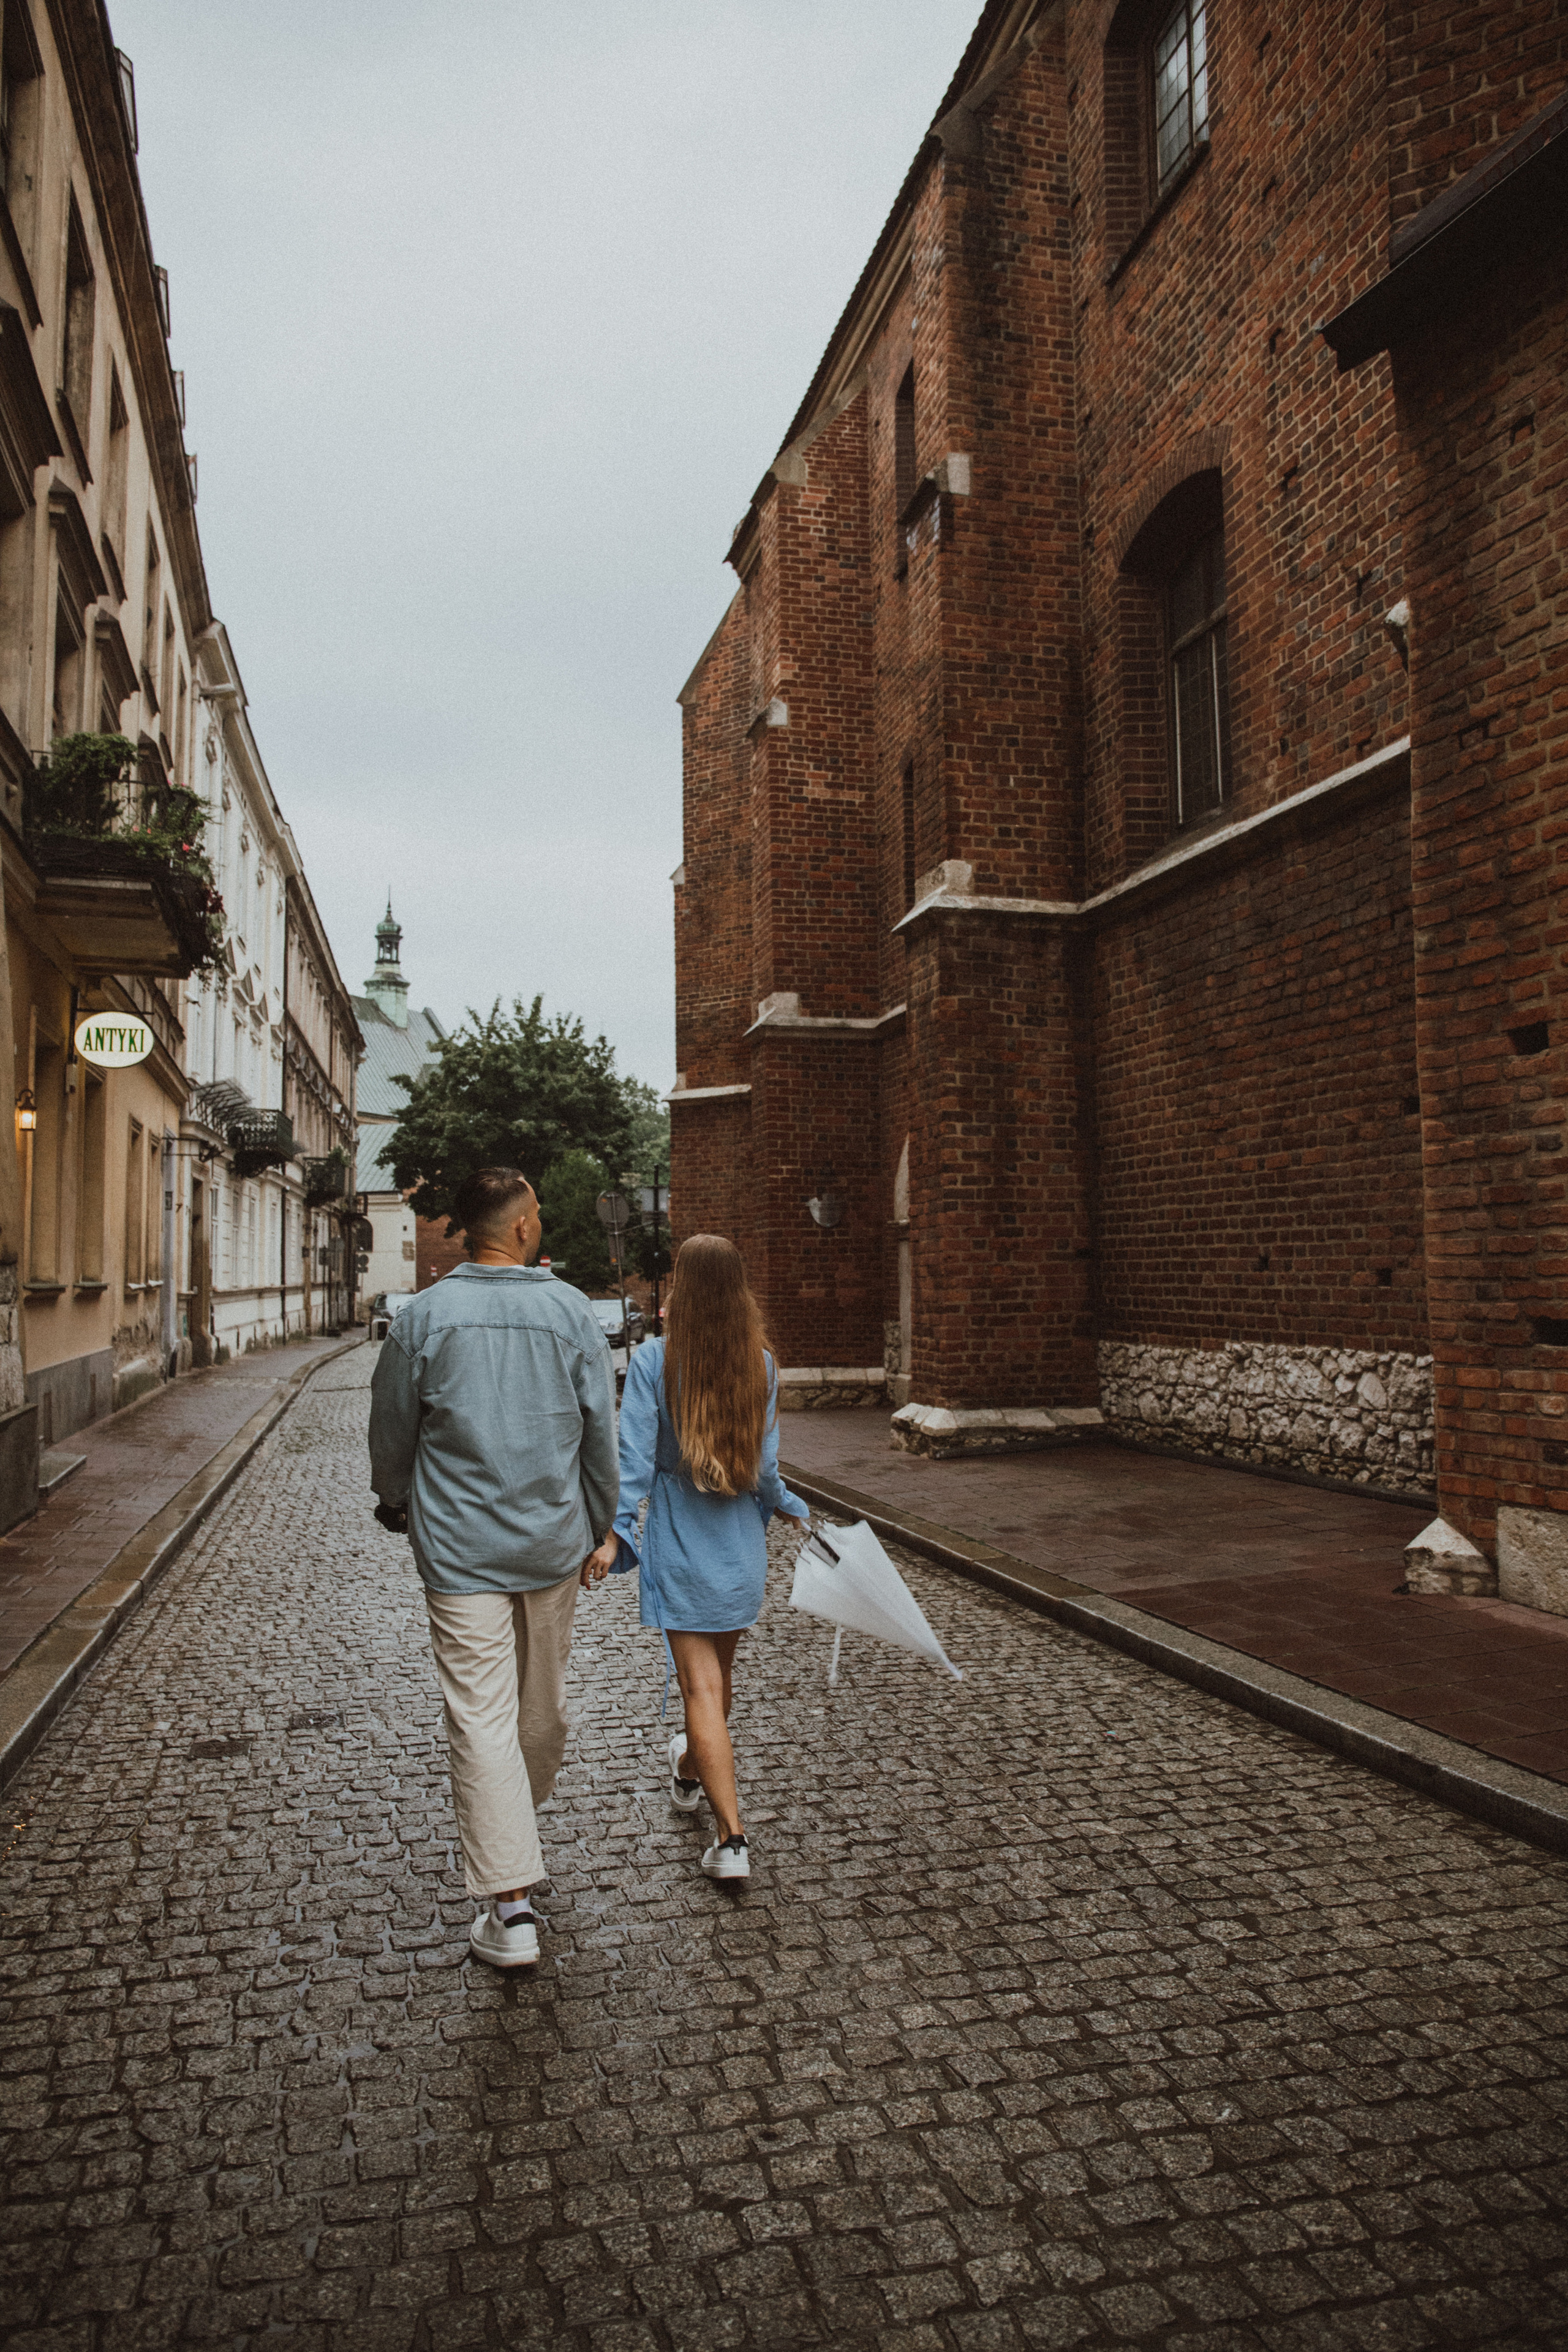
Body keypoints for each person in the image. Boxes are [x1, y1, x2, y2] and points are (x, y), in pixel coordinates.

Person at [368, 1166, 618, 1970]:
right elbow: (599, 1433)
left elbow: (393, 1428)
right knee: (540, 1707)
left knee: (487, 1716)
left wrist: (394, 1497)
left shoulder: (425, 1317)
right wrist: (601, 1523)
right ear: (518, 1229)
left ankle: (509, 1888)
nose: (539, 1221)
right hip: (550, 1542)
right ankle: (513, 1895)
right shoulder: (570, 1312)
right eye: (537, 1211)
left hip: (459, 1548)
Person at [584, 1233, 809, 1881]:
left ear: (680, 1287)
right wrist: (789, 1505)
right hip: (739, 1547)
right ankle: (688, 1768)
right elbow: (765, 1472)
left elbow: (631, 1463)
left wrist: (614, 1534)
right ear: (739, 1291)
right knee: (716, 1686)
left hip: (682, 1541)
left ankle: (732, 1841)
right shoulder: (760, 1363)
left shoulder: (655, 1361)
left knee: (700, 1688)